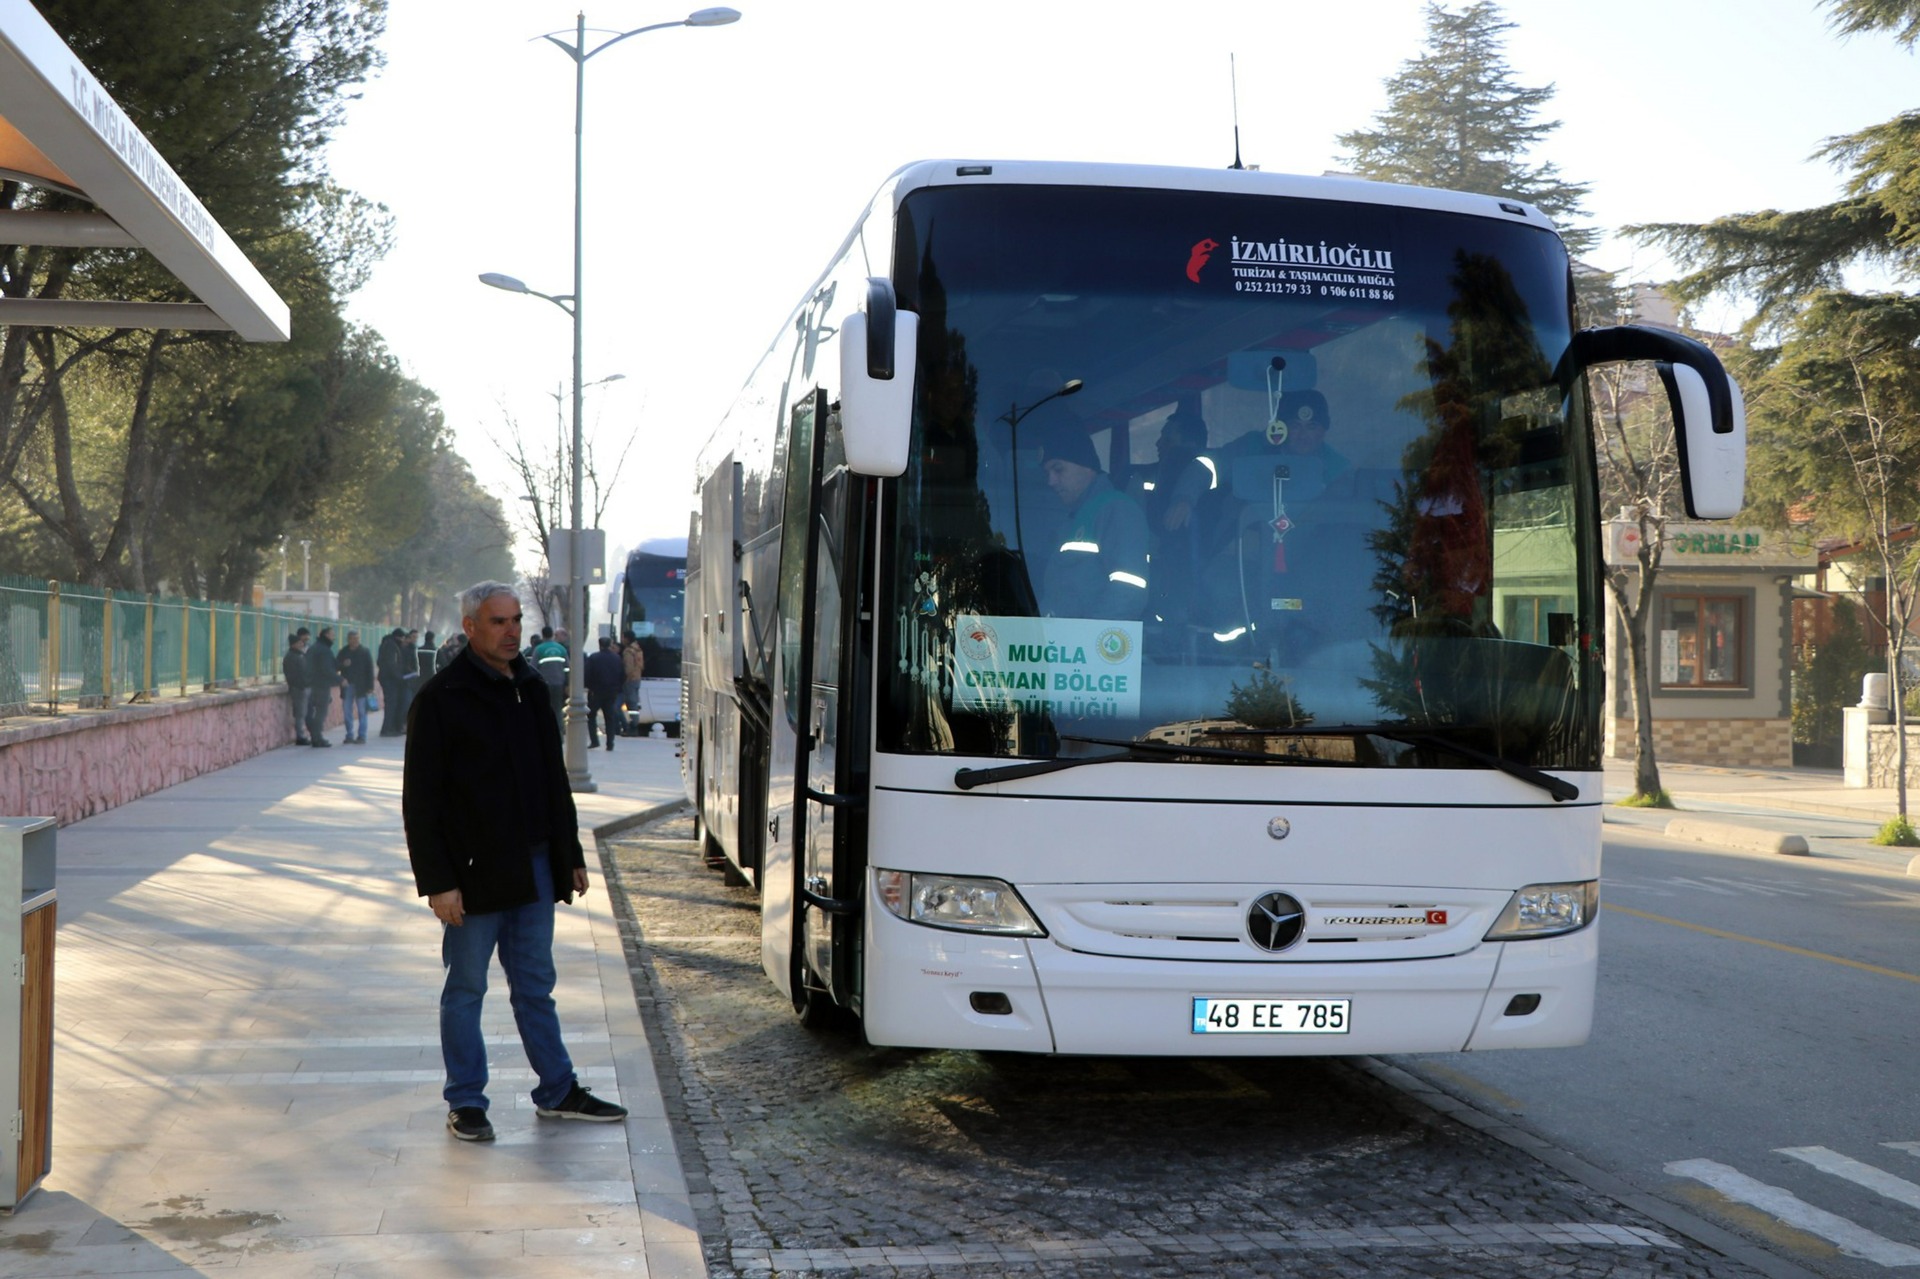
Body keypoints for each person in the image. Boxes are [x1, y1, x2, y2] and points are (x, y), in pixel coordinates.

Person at [403, 581, 628, 1142]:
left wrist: (568, 855)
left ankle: (557, 1089)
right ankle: (466, 1101)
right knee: (466, 989)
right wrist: (439, 883)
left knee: (534, 985)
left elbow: (554, 781)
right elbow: (421, 802)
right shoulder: (441, 699)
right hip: (473, 875)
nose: (510, 631)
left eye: (515, 620)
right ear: (470, 626)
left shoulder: (530, 688)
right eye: (497, 621)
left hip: (533, 867)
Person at [1036, 419, 1150, 620]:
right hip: (1062, 644)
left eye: (1058, 469)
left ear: (1086, 466)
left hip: (1086, 647)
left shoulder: (1116, 508)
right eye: (1048, 473)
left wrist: (1089, 638)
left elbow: (1129, 589)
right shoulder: (1075, 518)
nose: (1051, 481)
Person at [584, 635, 625, 751]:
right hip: (611, 692)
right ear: (610, 645)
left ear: (600, 644)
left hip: (596, 691)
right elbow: (623, 674)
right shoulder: (616, 658)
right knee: (609, 717)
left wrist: (589, 687)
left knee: (591, 716)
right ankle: (610, 743)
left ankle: (594, 741)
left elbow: (587, 674)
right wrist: (617, 688)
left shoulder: (593, 657)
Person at [336, 630, 374, 745]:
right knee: (347, 711)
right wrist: (343, 664)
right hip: (347, 685)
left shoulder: (365, 651)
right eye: (353, 638)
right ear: (348, 639)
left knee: (362, 711)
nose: (355, 640)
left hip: (361, 686)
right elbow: (336, 665)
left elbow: (370, 669)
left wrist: (370, 686)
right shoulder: (343, 652)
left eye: (357, 638)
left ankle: (362, 735)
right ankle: (349, 735)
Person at [303, 626, 340, 747]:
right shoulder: (324, 650)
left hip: (311, 684)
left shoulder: (314, 648)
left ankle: (315, 736)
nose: (334, 637)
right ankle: (317, 737)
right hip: (321, 685)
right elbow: (327, 669)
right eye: (332, 634)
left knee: (313, 712)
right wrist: (340, 679)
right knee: (321, 712)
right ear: (326, 635)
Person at [532, 627, 570, 733]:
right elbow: (567, 668)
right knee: (557, 709)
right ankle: (559, 733)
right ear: (552, 635)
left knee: (544, 709)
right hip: (559, 683)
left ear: (543, 635)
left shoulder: (539, 649)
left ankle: (547, 733)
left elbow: (533, 668)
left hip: (544, 684)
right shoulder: (561, 649)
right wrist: (567, 684)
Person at [282, 632, 311, 746]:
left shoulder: (300, 655)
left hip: (303, 687)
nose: (301, 644)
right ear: (293, 644)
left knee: (302, 712)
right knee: (300, 713)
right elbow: (293, 675)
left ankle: (302, 734)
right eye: (299, 642)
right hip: (299, 688)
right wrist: (301, 684)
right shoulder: (291, 657)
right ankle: (300, 736)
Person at [620, 636, 646, 735]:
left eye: (623, 637)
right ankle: (634, 724)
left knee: (631, 703)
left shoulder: (628, 652)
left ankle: (633, 726)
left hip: (630, 679)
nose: (622, 639)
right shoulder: (638, 649)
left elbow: (628, 667)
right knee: (634, 702)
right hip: (637, 678)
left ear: (627, 639)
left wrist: (625, 678)